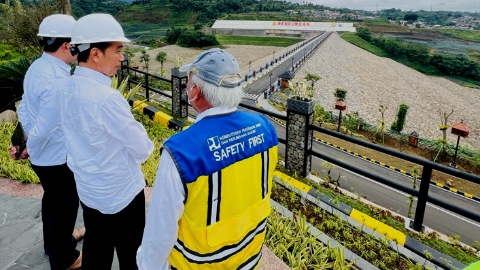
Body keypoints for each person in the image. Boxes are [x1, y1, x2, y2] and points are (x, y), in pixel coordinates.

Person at [136, 48, 279, 269]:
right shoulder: (264, 128)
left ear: (196, 92)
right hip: (249, 258)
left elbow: (160, 231)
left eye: (189, 83)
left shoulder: (181, 152)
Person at [56, 13, 154, 270]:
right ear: (96, 53)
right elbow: (143, 149)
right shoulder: (107, 99)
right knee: (131, 255)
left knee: (97, 249)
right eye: (118, 50)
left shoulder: (65, 87)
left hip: (89, 191)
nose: (122, 57)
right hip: (122, 195)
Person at [10, 14, 83, 270]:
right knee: (65, 204)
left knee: (52, 201)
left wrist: (30, 141)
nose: (80, 48)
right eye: (78, 43)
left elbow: (24, 109)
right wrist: (34, 145)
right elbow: (45, 127)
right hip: (55, 156)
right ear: (66, 45)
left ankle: (54, 242)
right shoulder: (57, 82)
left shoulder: (37, 68)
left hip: (44, 156)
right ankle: (64, 257)